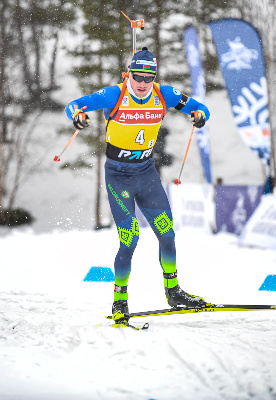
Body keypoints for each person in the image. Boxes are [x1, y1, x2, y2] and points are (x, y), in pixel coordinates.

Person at [65, 47, 211, 325]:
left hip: (146, 174)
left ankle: (174, 291)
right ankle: (120, 300)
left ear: (154, 76)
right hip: (118, 177)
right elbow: (74, 105)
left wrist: (200, 116)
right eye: (138, 76)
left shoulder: (163, 94)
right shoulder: (115, 94)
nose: (143, 83)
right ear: (128, 73)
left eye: (149, 77)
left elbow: (199, 107)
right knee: (130, 238)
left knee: (167, 234)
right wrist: (78, 116)